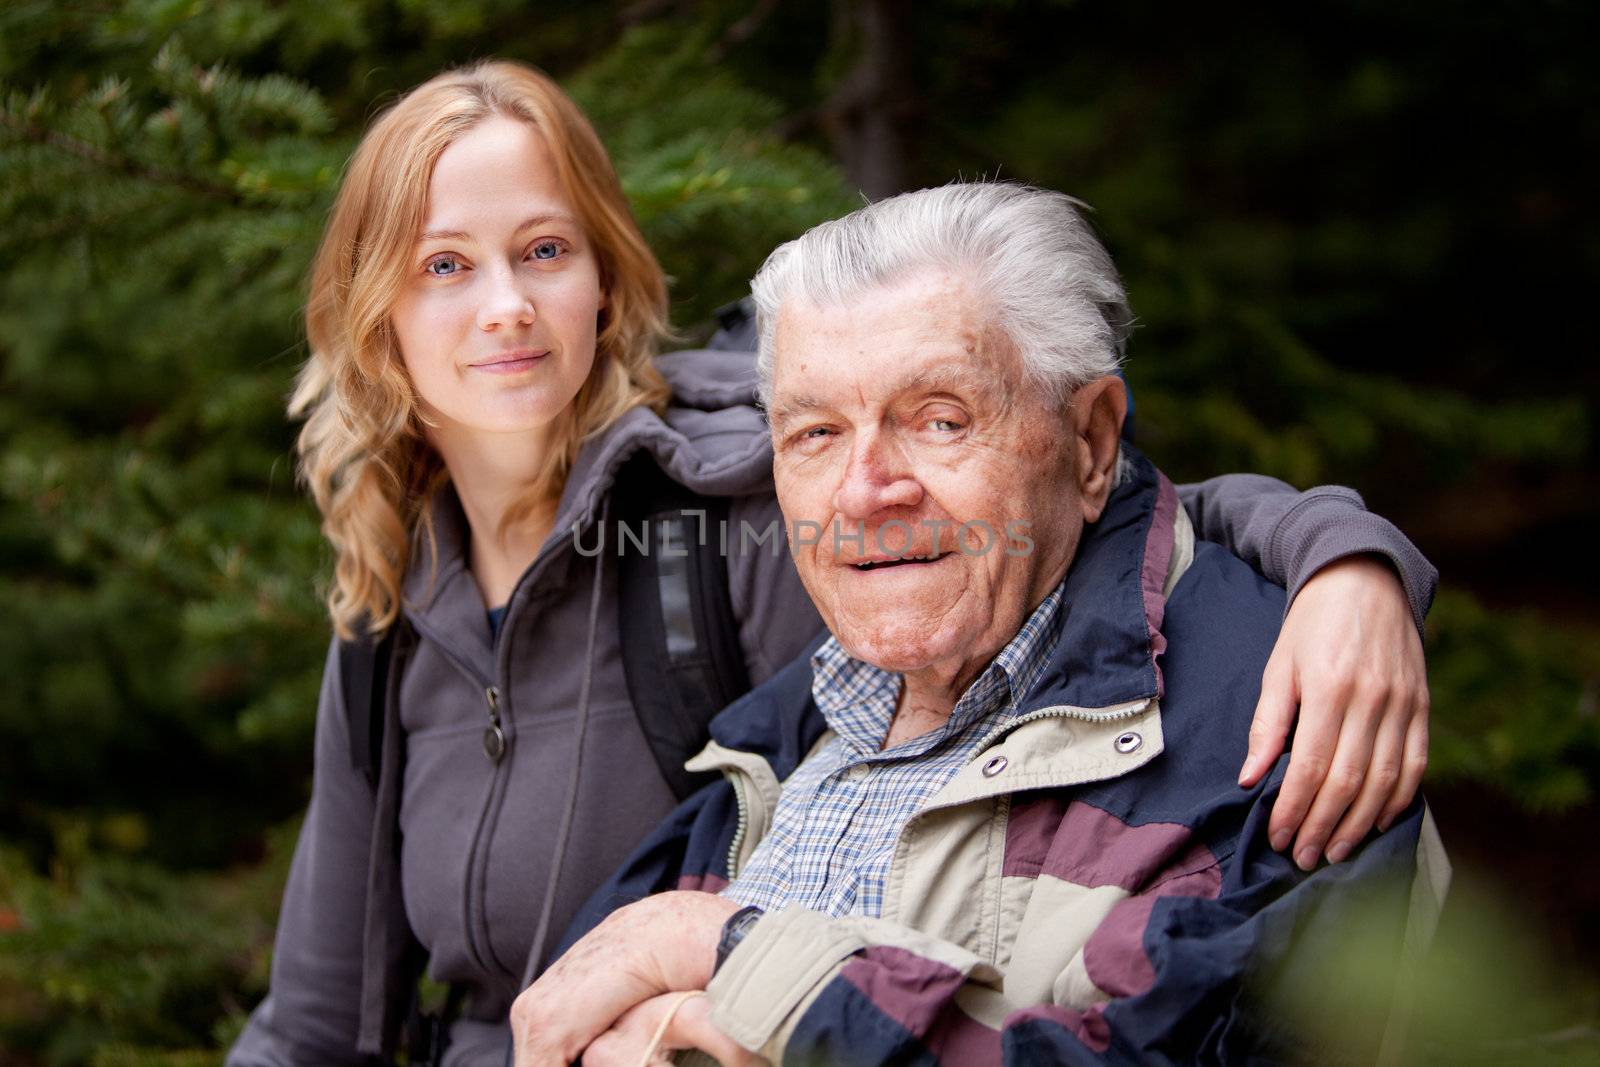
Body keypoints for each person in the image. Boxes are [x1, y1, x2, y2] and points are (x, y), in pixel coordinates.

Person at [228, 62, 1438, 1065]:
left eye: (544, 248)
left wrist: (1342, 561)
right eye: (444, 263)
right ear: (370, 307)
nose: (504, 306)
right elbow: (321, 1011)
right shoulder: (398, 591)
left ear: (604, 277)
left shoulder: (730, 508)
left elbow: (1094, 519)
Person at [511, 183, 1449, 1067]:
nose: (864, 492)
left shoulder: (1284, 718)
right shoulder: (783, 733)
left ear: (1090, 442)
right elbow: (569, 1013)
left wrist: (732, 952)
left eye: (941, 419)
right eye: (815, 433)